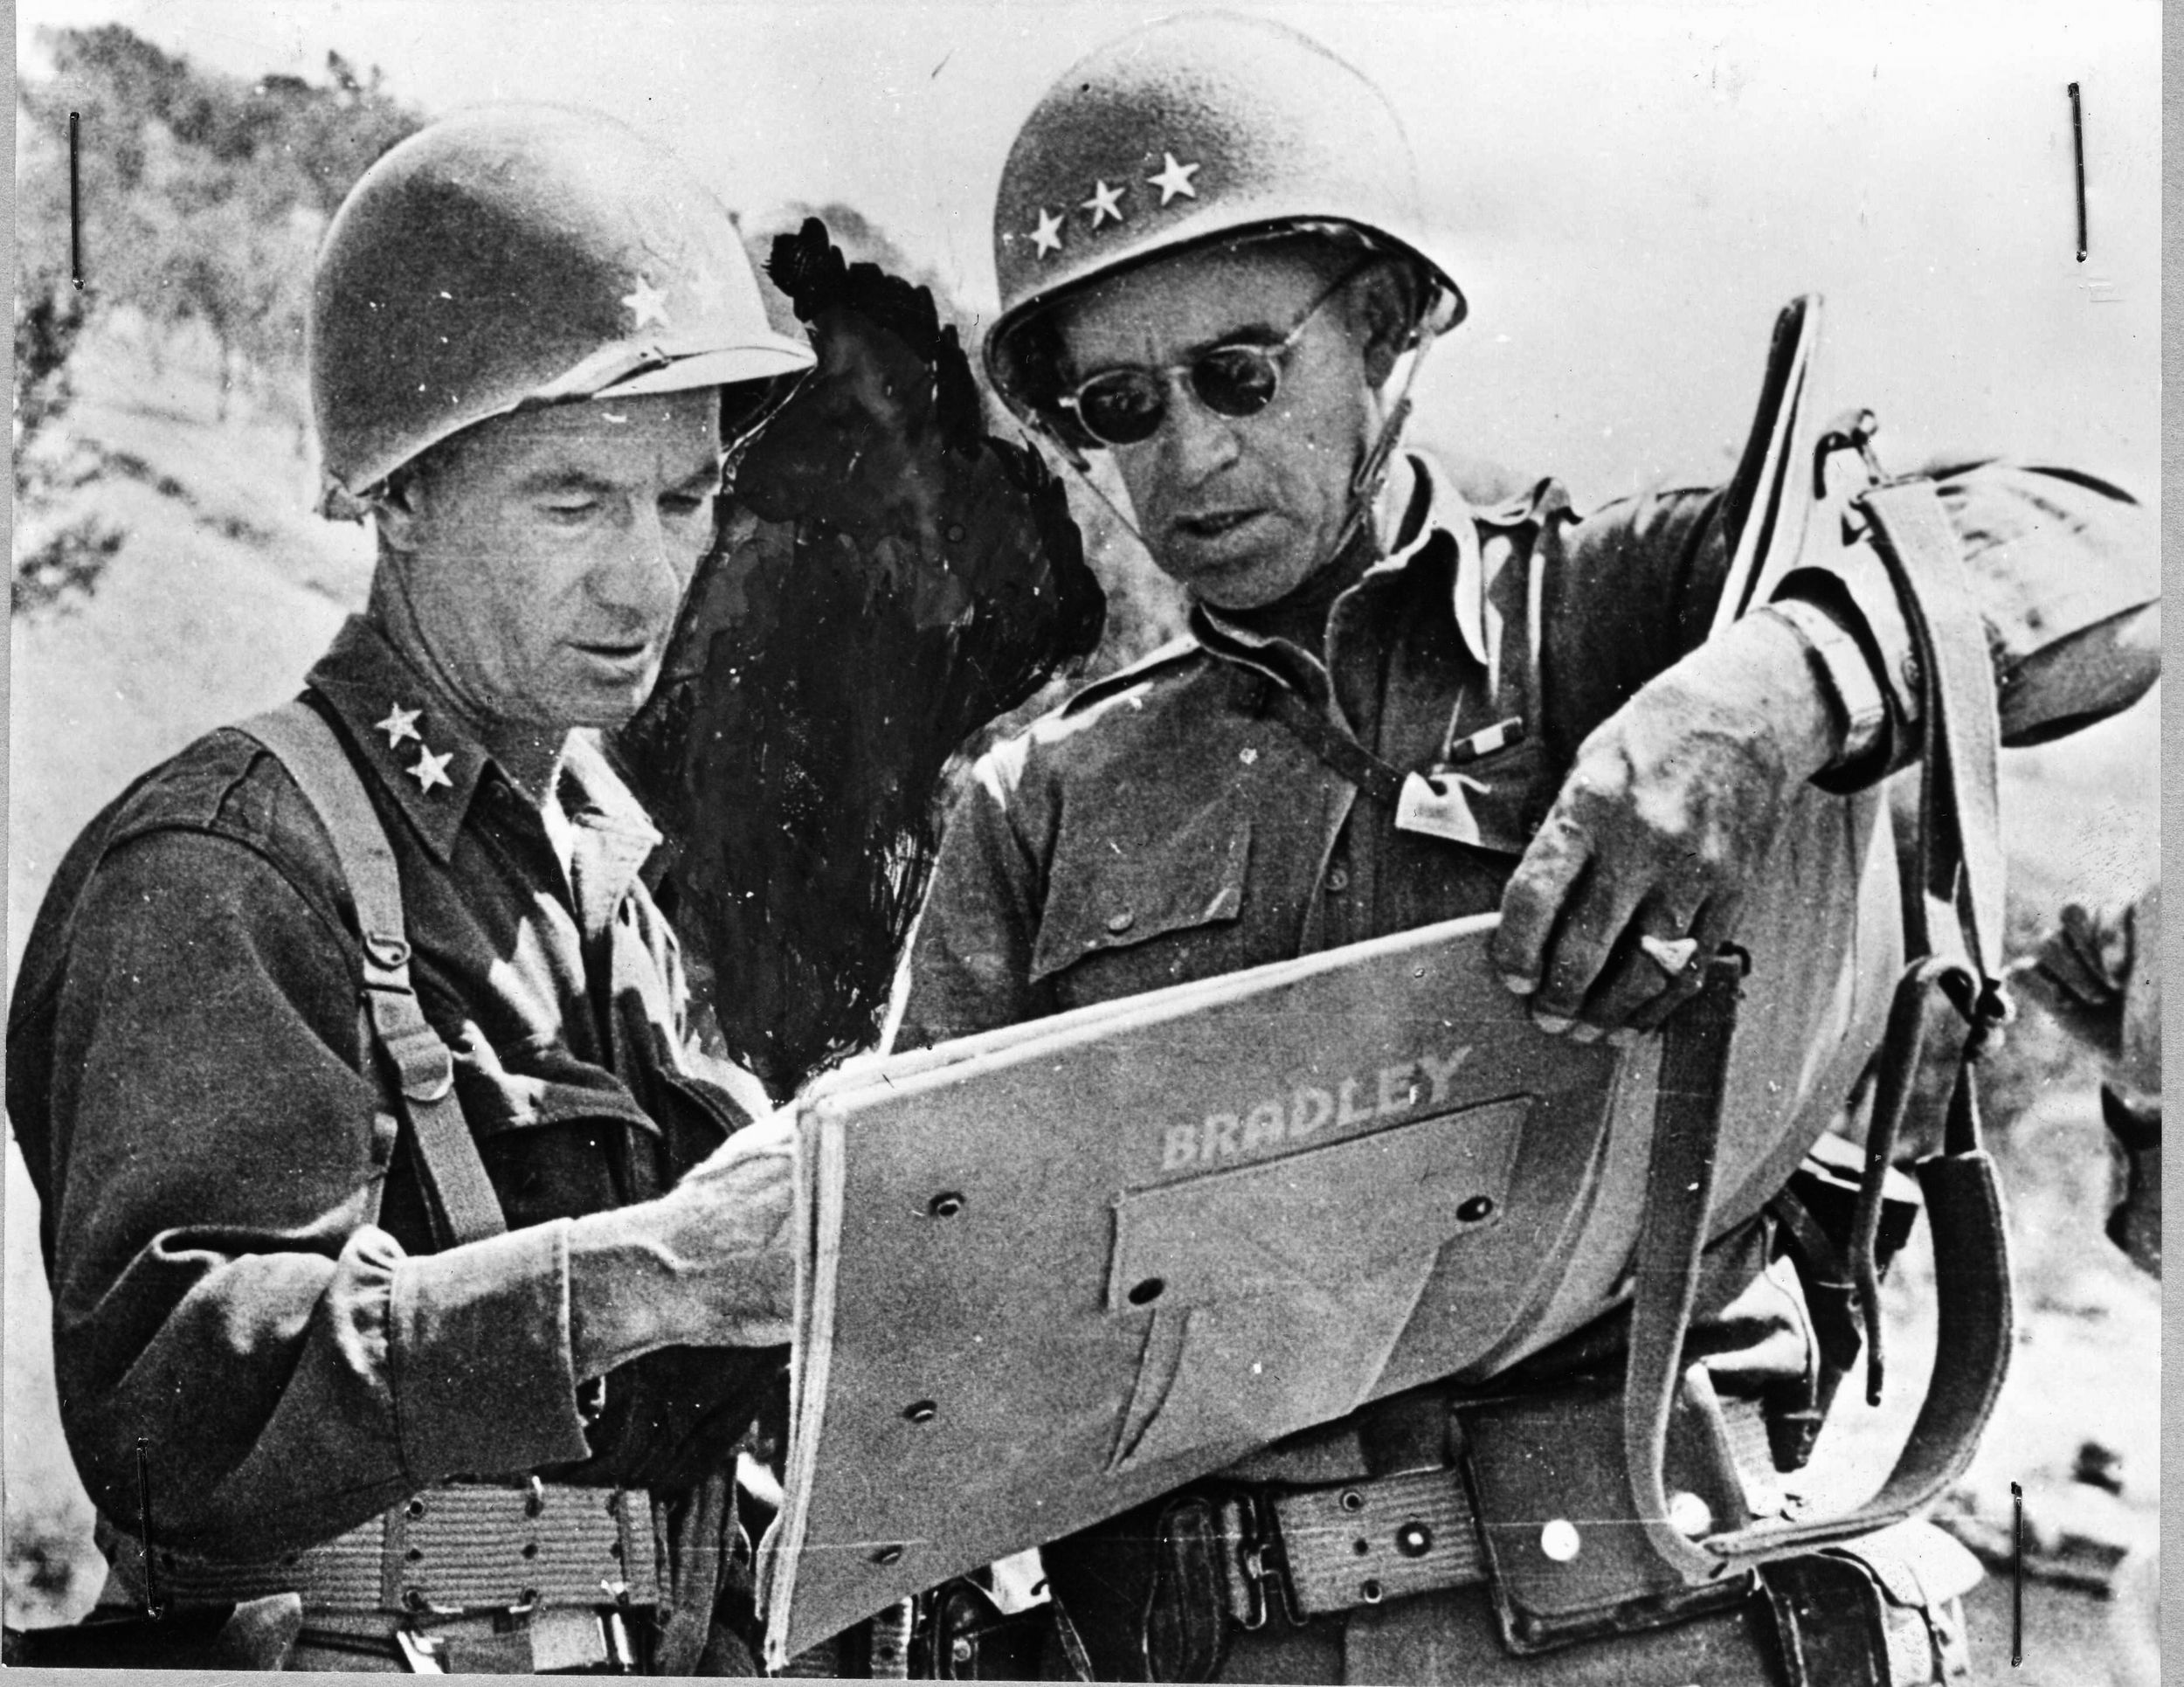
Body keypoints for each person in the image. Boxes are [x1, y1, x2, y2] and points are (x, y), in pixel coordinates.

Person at [895, 14, 2160, 1683]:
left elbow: (2107, 556)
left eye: (1241, 373)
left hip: (1646, 1619)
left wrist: (1769, 696)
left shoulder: (1636, 612)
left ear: (1390, 329)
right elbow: (919, 1275)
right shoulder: (1041, 802)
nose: (1187, 454)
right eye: (1118, 407)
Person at [6, 105, 819, 1674]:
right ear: (400, 500)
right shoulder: (232, 865)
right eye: (573, 501)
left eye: (684, 500)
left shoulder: (588, 869)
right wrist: (646, 1278)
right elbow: (181, 1414)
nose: (645, 579)